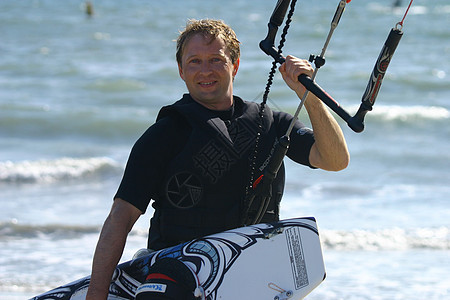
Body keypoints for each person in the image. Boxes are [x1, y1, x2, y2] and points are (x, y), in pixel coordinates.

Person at [86, 19, 349, 299]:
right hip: (178, 267)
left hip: (252, 268)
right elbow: (120, 218)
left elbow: (335, 160)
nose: (205, 71)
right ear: (181, 70)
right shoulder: (164, 134)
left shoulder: (270, 123)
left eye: (216, 60)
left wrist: (309, 97)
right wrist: (97, 293)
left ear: (234, 65)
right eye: (195, 62)